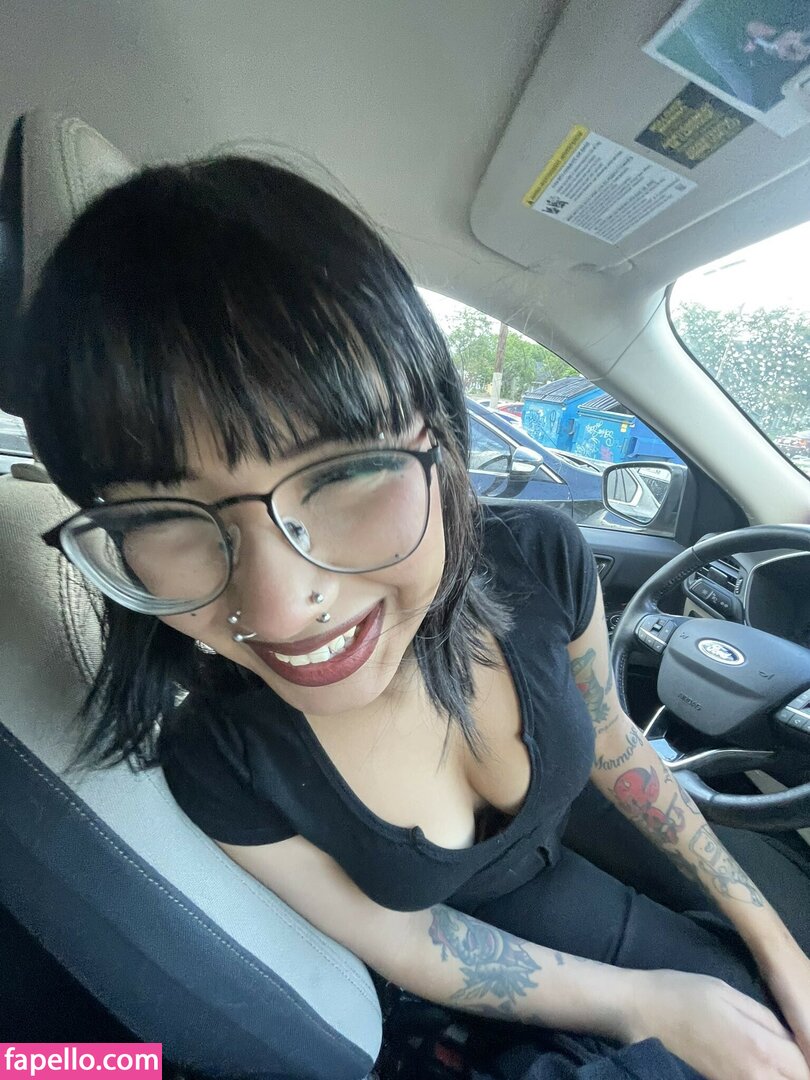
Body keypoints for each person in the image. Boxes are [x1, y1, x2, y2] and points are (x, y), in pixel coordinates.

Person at [14, 156, 810, 1080]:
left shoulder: (543, 559)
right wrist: (646, 1005)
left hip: (607, 891)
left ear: (443, 443)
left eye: (345, 472)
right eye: (164, 517)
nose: (280, 606)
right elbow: (405, 939)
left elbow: (614, 744)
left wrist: (776, 941)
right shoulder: (221, 762)